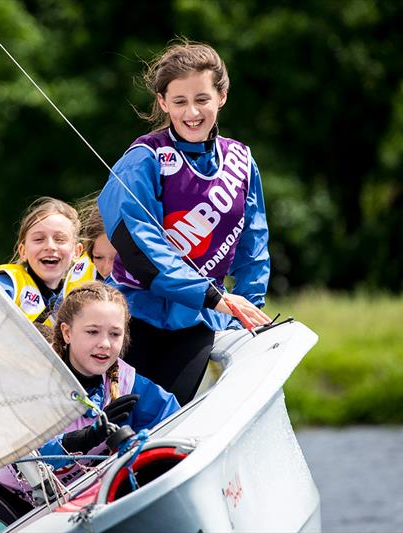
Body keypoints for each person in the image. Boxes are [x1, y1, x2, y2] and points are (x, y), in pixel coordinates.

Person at [98, 40, 272, 406]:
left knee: (165, 420)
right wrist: (214, 296)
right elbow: (141, 247)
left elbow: (252, 249)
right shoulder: (143, 159)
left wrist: (245, 313)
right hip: (130, 322)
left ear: (221, 97)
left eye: (202, 99)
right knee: (119, 425)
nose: (192, 112)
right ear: (163, 103)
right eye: (179, 102)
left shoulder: (241, 161)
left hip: (195, 326)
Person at [0, 282, 179, 531]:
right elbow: (19, 459)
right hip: (3, 493)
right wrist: (81, 439)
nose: (105, 344)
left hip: (70, 499)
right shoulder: (32, 381)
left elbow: (176, 420)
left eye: (114, 334)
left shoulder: (129, 383)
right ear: (67, 333)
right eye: (92, 332)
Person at [0, 197, 82, 326]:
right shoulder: (7, 284)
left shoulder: (78, 301)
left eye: (60, 239)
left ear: (77, 252)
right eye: (39, 239)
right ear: (23, 251)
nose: (50, 246)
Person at [63, 194, 118, 294]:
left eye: (117, 258)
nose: (107, 269)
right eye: (98, 257)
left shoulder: (152, 287)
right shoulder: (79, 277)